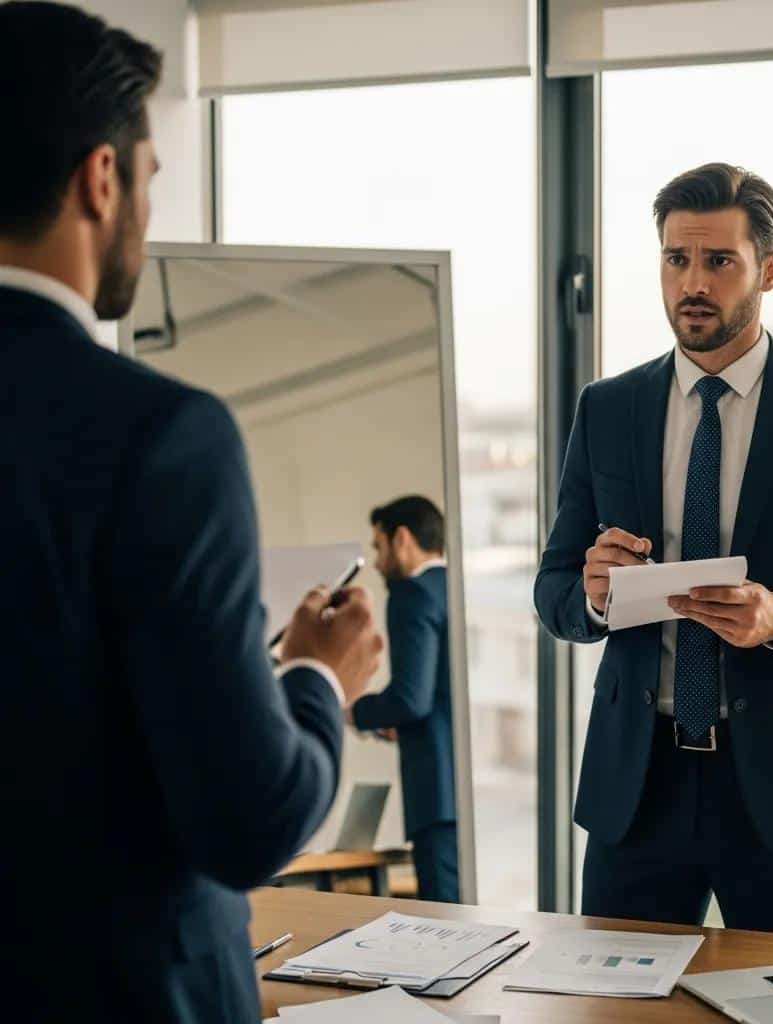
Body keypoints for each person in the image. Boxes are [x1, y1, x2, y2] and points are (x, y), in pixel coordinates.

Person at [0, 4, 382, 1020]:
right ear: (103, 177)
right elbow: (247, 823)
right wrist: (315, 674)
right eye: (153, 179)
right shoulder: (160, 436)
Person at [534, 162, 773, 938]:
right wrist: (591, 590)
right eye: (676, 259)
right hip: (637, 791)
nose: (693, 283)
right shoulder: (606, 409)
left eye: (719, 261)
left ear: (768, 269)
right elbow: (554, 590)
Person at [348, 496, 459, 903]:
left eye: (378, 547)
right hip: (470, 793)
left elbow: (411, 699)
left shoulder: (412, 594)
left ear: (402, 539)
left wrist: (352, 711)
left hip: (436, 794)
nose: (376, 563)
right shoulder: (457, 589)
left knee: (448, 928)